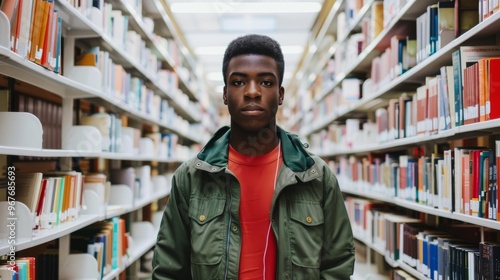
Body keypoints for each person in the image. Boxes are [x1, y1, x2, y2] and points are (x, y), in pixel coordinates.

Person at [152, 34, 355, 279]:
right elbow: (169, 268)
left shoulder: (315, 177)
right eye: (238, 82)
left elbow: (337, 264)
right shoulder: (191, 178)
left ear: (280, 95)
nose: (252, 92)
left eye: (266, 83)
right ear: (225, 94)